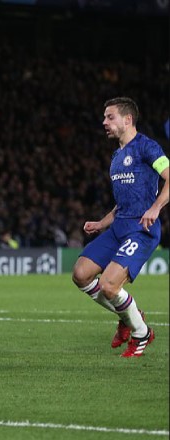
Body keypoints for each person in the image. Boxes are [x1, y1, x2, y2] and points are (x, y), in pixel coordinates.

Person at [71, 97, 169, 358]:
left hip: (141, 229)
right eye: (104, 117)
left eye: (110, 117)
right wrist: (101, 223)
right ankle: (129, 316)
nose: (104, 122)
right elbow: (123, 202)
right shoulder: (116, 156)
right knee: (81, 274)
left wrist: (156, 207)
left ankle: (141, 333)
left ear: (128, 119)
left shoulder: (147, 147)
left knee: (109, 285)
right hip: (118, 228)